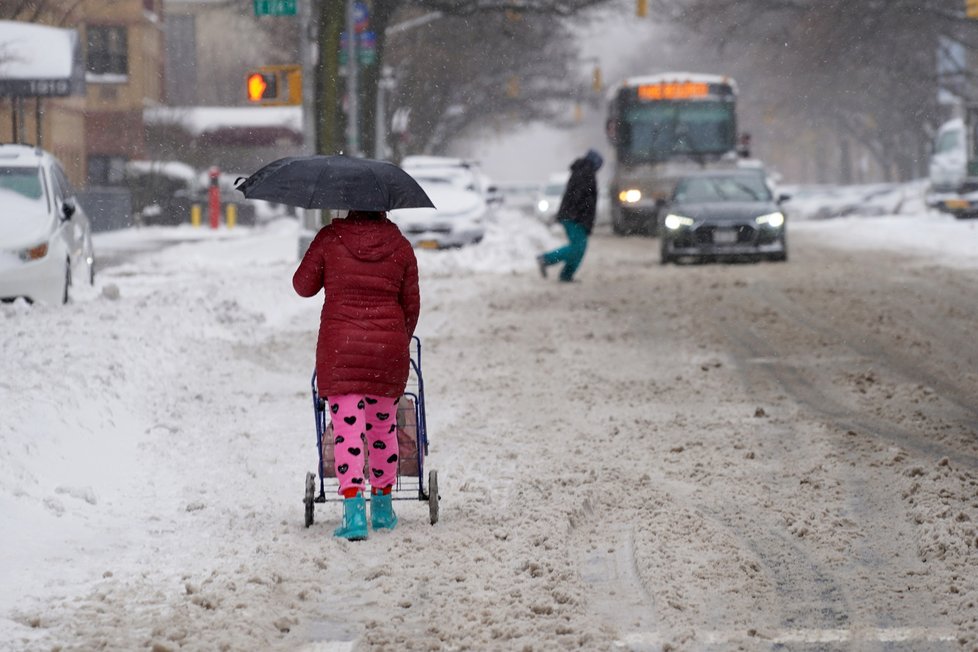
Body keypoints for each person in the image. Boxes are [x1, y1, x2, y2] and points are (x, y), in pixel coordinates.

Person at [293, 210, 420, 541]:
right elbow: (412, 306)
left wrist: (321, 252)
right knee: (382, 428)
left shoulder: (330, 239)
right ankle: (382, 510)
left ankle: (353, 516)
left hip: (341, 349)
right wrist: (396, 340)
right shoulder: (401, 246)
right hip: (387, 351)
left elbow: (302, 286)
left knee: (347, 432)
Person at [536, 148, 603, 282]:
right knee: (577, 247)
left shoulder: (582, 171)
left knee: (579, 247)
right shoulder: (586, 173)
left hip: (574, 217)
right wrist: (582, 216)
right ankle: (546, 259)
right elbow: (582, 199)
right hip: (575, 218)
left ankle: (566, 275)